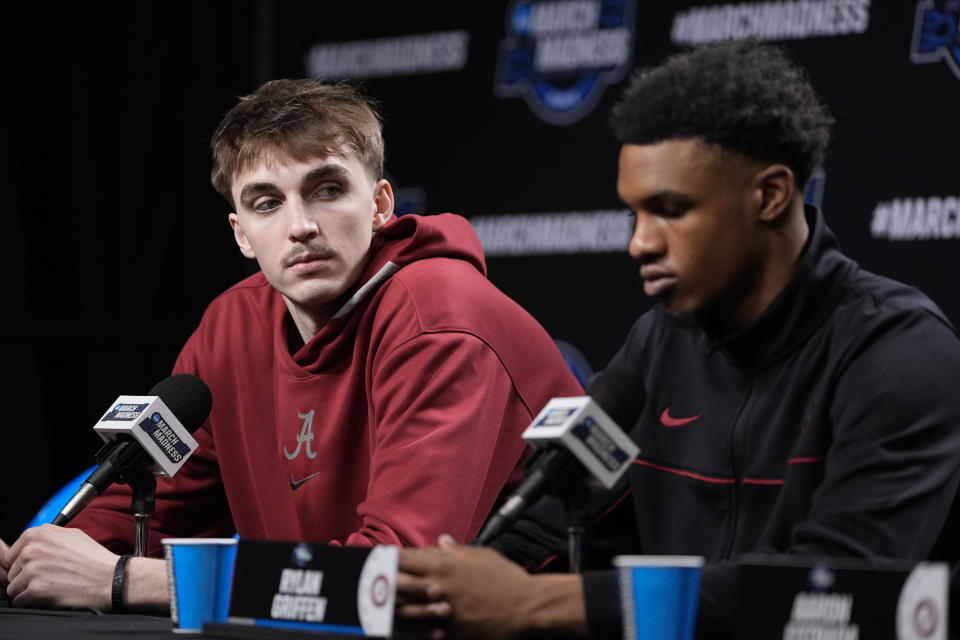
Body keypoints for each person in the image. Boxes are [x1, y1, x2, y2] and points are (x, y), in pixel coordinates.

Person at [395, 39, 960, 639]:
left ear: (769, 195)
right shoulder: (657, 343)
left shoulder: (902, 354)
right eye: (634, 214)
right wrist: (446, 593)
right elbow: (555, 515)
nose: (640, 242)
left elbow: (826, 593)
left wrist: (539, 604)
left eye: (670, 209)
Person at [0, 79, 583, 612]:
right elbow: (153, 501)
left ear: (380, 205)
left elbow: (398, 579)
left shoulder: (440, 321)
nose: (301, 225)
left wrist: (129, 581)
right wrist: (32, 565)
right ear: (241, 234)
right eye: (267, 203)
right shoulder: (232, 323)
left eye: (326, 189)